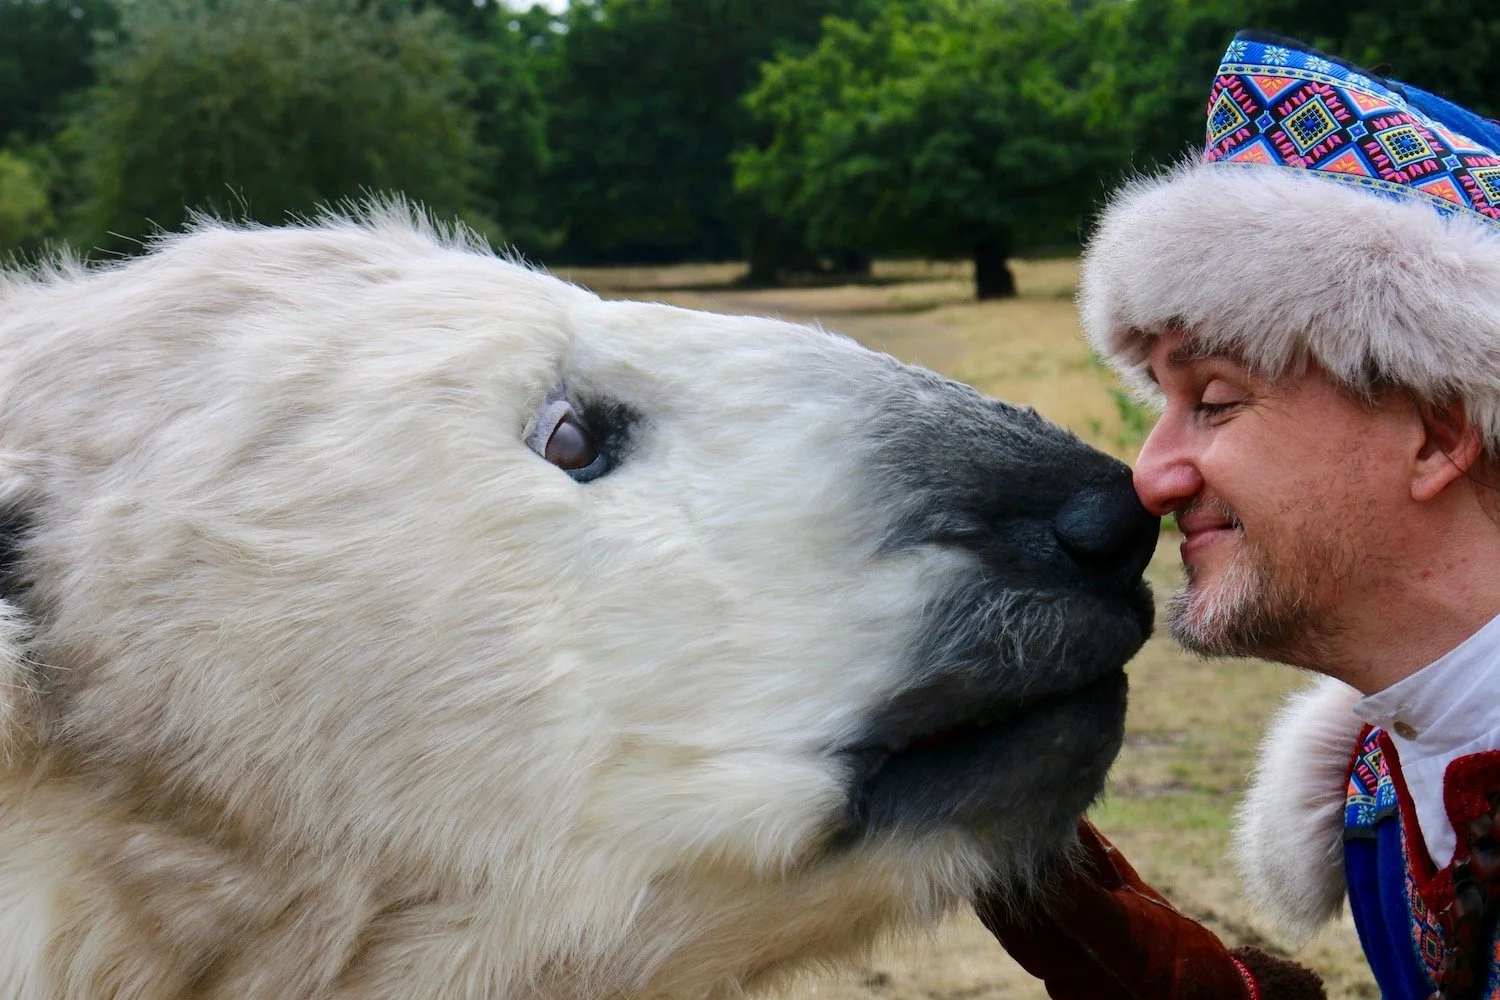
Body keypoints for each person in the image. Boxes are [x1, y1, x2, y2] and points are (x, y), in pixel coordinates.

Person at [976, 30, 1500, 1000]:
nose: (1151, 476)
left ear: (1437, 434)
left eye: (1213, 402)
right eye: (1158, 407)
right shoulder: (1384, 788)